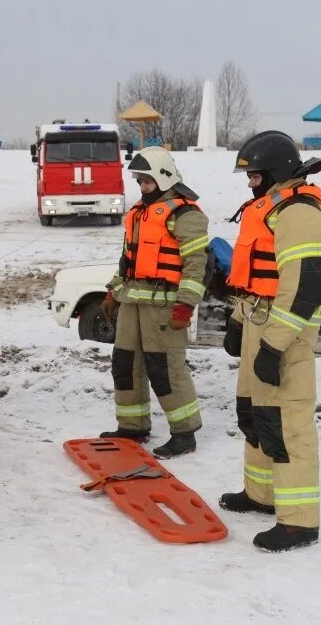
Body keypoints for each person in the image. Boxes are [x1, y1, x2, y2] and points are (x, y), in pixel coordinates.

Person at [217, 130, 321, 552]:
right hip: (258, 320)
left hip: (285, 331)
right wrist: (236, 321)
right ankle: (262, 495)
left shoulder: (299, 210)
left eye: (254, 176)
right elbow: (254, 278)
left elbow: (302, 288)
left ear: (276, 172)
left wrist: (275, 345)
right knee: (255, 414)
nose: (249, 183)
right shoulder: (269, 208)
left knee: (288, 425)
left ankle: (300, 521)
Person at [98, 146, 209, 459]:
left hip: (165, 305)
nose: (141, 187)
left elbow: (195, 264)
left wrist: (186, 304)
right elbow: (128, 260)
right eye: (139, 181)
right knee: (124, 363)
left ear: (163, 177)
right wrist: (113, 290)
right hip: (133, 300)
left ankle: (184, 433)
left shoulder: (185, 214)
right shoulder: (140, 213)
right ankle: (132, 426)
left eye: (146, 181)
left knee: (165, 368)